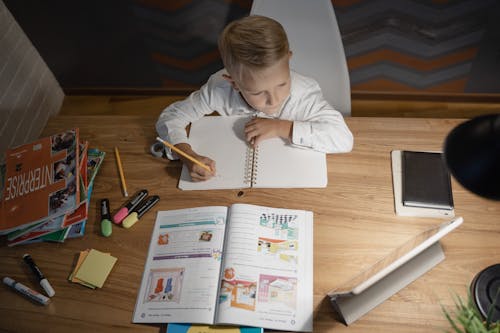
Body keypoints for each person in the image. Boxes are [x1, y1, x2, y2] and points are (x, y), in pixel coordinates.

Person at [156, 15, 353, 182]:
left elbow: (343, 138)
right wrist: (187, 155)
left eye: (283, 84)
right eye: (258, 93)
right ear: (233, 83)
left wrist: (282, 127)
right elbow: (171, 118)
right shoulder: (219, 89)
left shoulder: (304, 93)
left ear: (288, 59)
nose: (274, 99)